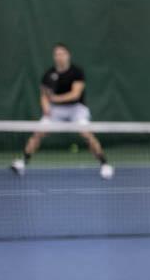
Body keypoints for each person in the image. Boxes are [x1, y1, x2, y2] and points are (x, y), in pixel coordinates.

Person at [10, 43, 112, 179]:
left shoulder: (77, 72)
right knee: (38, 133)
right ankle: (22, 162)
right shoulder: (48, 74)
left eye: (62, 53)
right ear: (54, 57)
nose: (60, 57)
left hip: (77, 109)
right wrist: (45, 106)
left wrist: (54, 99)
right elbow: (44, 95)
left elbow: (75, 94)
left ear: (68, 55)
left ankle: (104, 164)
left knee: (86, 133)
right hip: (56, 110)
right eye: (57, 54)